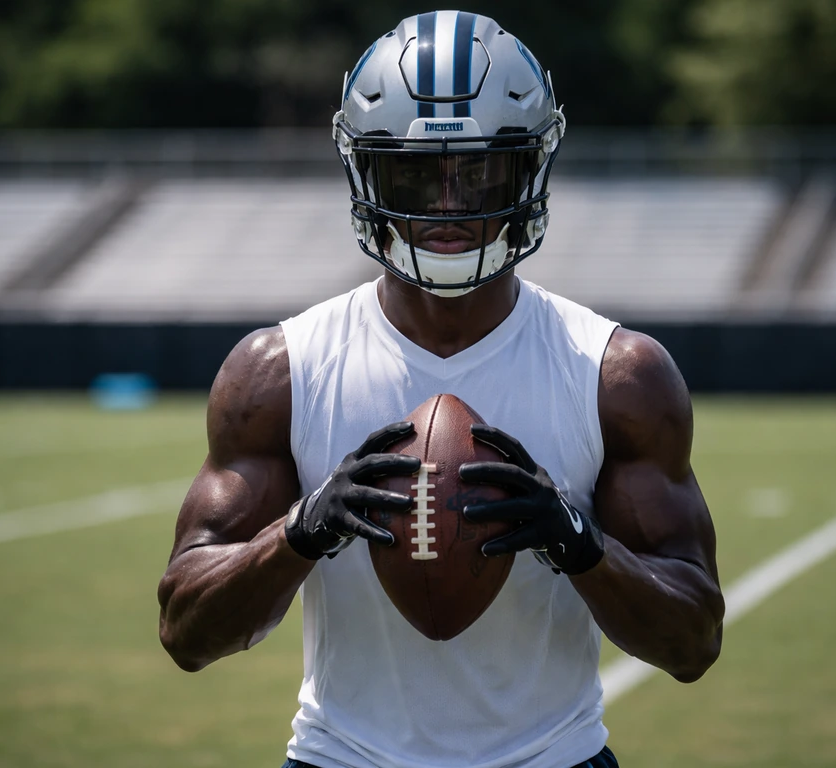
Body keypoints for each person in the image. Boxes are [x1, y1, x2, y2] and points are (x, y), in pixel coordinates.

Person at [158, 11, 724, 768]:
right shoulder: (281, 370)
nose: (451, 203)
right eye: (416, 173)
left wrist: (578, 542)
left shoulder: (615, 374)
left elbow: (693, 642)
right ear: (367, 172)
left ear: (530, 170)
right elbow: (186, 632)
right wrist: (299, 531)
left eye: (482, 168)